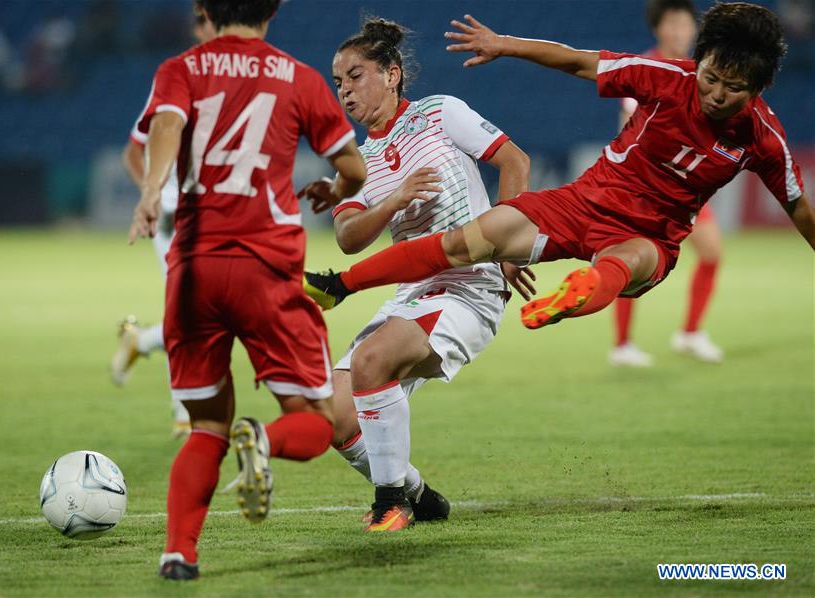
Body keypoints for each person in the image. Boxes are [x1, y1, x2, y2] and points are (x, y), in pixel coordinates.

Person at [304, 4, 813, 340]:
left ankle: (578, 294)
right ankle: (340, 284)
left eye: (733, 87)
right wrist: (504, 43)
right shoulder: (668, 78)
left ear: (759, 87)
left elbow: (799, 208)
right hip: (585, 199)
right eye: (711, 77)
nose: (717, 94)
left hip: (653, 233)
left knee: (627, 261)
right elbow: (579, 62)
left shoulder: (764, 139)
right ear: (698, 63)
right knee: (472, 239)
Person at [128, 0, 367, 580]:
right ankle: (262, 437)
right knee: (313, 418)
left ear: (206, 8)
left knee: (205, 424)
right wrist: (334, 188)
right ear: (274, 9)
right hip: (267, 268)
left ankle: (179, 553)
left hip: (193, 270)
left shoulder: (180, 69)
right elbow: (355, 168)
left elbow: (164, 126)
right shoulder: (301, 79)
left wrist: (154, 190)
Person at [299, 19, 532, 532]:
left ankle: (390, 503)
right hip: (413, 292)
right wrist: (397, 198)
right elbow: (349, 237)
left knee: (371, 360)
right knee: (334, 416)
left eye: (355, 76)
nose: (345, 91)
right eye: (338, 82)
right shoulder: (356, 163)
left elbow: (514, 161)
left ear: (392, 74)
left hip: (471, 288)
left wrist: (510, 246)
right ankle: (419, 495)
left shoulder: (441, 113)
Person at [112, 0, 217, 440]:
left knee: (210, 314)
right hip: (174, 217)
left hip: (219, 217)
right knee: (188, 310)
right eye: (209, 21)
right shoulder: (178, 77)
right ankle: (184, 410)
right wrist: (150, 194)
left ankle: (139, 341)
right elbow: (134, 149)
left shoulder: (246, 81)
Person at [610, 0, 724, 367]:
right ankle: (623, 345)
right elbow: (633, 123)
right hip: (644, 187)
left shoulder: (703, 74)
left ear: (694, 30)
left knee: (712, 253)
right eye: (671, 24)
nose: (679, 31)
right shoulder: (644, 69)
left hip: (685, 188)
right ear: (659, 29)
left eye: (685, 24)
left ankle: (690, 333)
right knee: (631, 265)